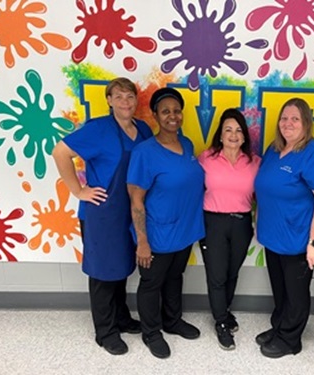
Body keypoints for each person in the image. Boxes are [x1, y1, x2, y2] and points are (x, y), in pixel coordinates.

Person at [52, 77, 153, 355]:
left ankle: (120, 317)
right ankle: (105, 331)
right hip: (103, 213)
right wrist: (78, 190)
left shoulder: (142, 129)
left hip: (131, 211)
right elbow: (60, 152)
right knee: (102, 271)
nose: (125, 102)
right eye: (118, 96)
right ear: (108, 100)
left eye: (130, 96)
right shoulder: (97, 129)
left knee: (120, 266)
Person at [254, 98, 314, 358]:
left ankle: (291, 339)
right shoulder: (274, 149)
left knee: (296, 293)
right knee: (280, 289)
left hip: (297, 239)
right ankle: (280, 327)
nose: (288, 123)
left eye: (295, 119)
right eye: (284, 118)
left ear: (306, 123)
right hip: (273, 238)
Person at [127, 87, 205, 359]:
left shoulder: (188, 145)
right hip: (157, 234)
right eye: (165, 111)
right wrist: (142, 241)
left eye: (176, 110)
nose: (172, 116)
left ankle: (172, 321)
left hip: (183, 232)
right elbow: (136, 200)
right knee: (151, 284)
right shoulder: (145, 153)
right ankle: (152, 332)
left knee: (175, 277)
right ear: (156, 116)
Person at [198, 108, 261, 351]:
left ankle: (223, 311)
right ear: (220, 135)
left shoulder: (255, 163)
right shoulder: (206, 159)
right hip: (213, 222)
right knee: (217, 275)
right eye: (228, 130)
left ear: (244, 136)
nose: (233, 135)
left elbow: (264, 195)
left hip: (241, 223)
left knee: (232, 273)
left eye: (238, 130)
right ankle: (221, 322)